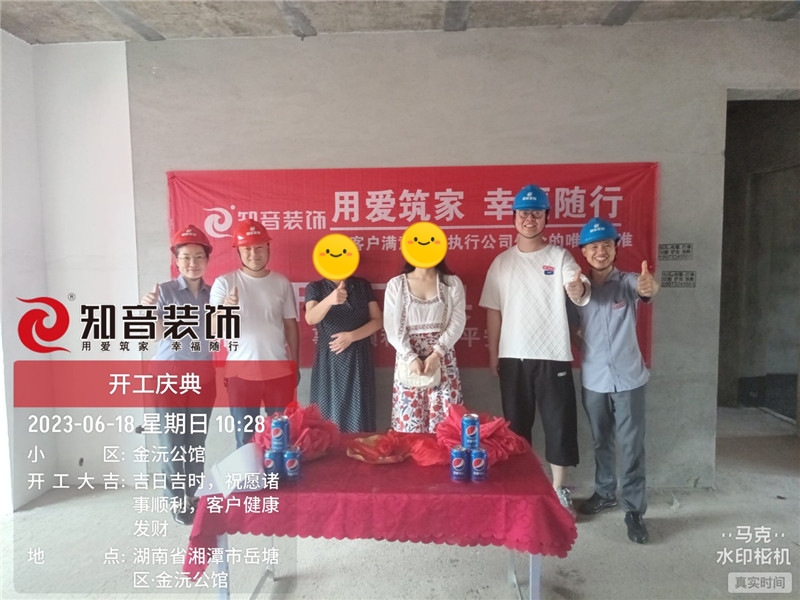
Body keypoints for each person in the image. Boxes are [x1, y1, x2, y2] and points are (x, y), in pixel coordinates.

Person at [479, 184, 590, 516]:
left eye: (537, 214)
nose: (530, 219)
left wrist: (577, 288)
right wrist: (493, 354)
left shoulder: (560, 257)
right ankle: (522, 487)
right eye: (524, 213)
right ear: (514, 217)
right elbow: (493, 311)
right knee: (516, 427)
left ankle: (559, 489)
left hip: (553, 355)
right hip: (513, 356)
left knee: (559, 423)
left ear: (546, 218)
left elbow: (578, 287)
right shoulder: (501, 262)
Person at [572, 217, 659, 544]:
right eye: (593, 246)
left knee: (632, 445)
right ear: (584, 251)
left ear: (615, 249)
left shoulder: (628, 282)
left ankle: (634, 509)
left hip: (629, 379)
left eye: (607, 245)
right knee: (601, 440)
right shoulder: (578, 289)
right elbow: (571, 327)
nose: (600, 251)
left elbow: (646, 288)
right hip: (594, 379)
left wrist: (650, 287)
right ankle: (605, 492)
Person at [139, 224, 216, 526]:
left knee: (195, 442)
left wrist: (230, 309)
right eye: (185, 257)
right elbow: (155, 335)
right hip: (168, 379)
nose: (192, 263)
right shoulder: (165, 292)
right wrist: (147, 311)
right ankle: (176, 499)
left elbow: (222, 333)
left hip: (203, 379)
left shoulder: (214, 293)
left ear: (207, 259)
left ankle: (193, 495)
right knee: (172, 443)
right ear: (177, 260)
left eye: (198, 257)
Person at [209, 218, 299, 448]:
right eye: (247, 248)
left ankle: (277, 472)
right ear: (238, 251)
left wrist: (295, 364)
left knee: (281, 437)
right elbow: (213, 329)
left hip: (278, 371)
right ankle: (248, 472)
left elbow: (290, 325)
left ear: (268, 247)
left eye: (259, 247)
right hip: (240, 374)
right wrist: (225, 309)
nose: (253, 254)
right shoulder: (224, 283)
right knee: (245, 439)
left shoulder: (281, 282)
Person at [384, 260, 466, 433]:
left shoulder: (452, 283)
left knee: (445, 425)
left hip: (443, 358)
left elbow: (458, 322)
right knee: (410, 424)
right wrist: (410, 357)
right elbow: (391, 328)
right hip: (408, 360)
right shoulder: (396, 285)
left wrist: (437, 354)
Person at [304, 276, 383, 432]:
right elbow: (311, 318)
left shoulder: (362, 285)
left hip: (358, 356)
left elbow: (378, 320)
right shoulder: (315, 287)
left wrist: (352, 336)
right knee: (327, 410)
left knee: (358, 412)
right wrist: (329, 300)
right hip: (328, 360)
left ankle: (358, 445)